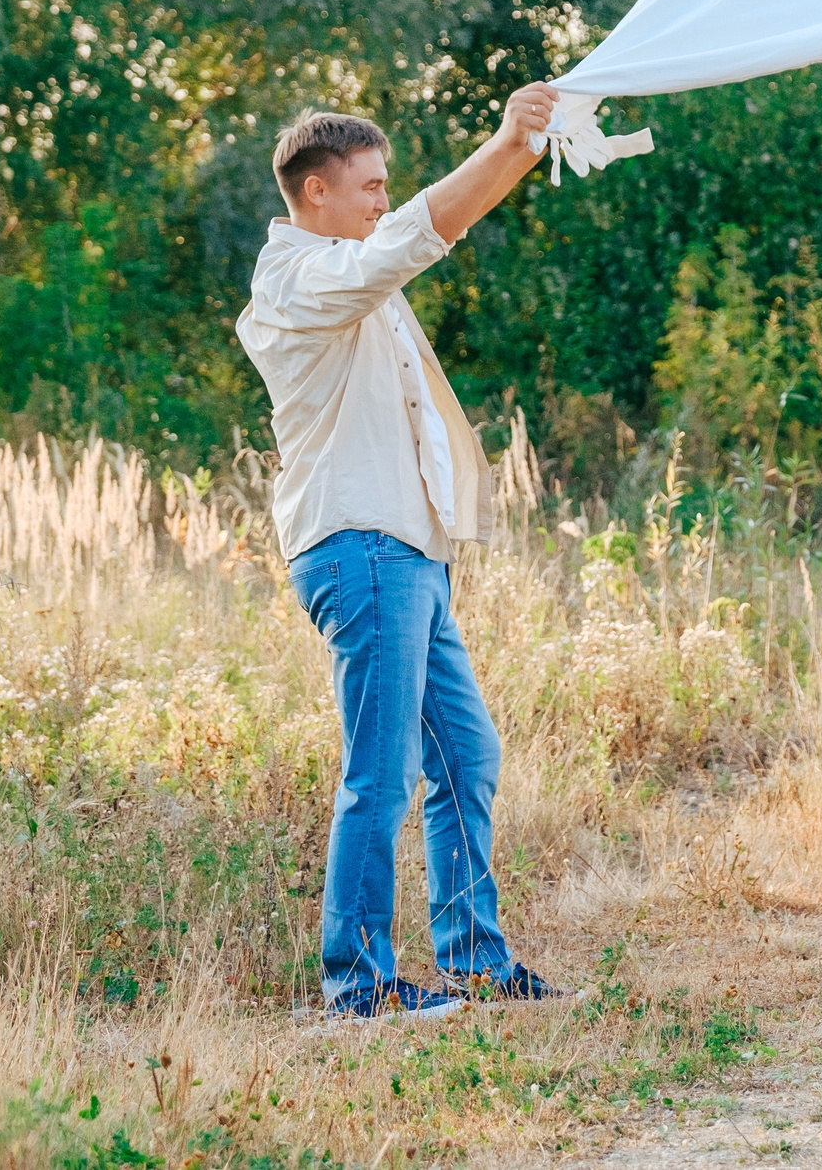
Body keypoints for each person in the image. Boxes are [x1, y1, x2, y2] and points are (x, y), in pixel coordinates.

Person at [236, 88, 570, 1021]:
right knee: (381, 775)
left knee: (466, 753)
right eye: (371, 185)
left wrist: (524, 150)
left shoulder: (352, 268)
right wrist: (502, 140)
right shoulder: (299, 282)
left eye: (388, 185)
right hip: (361, 546)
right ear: (316, 191)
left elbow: (426, 230)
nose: (384, 200)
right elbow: (421, 234)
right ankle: (359, 984)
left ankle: (474, 961)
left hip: (408, 549)